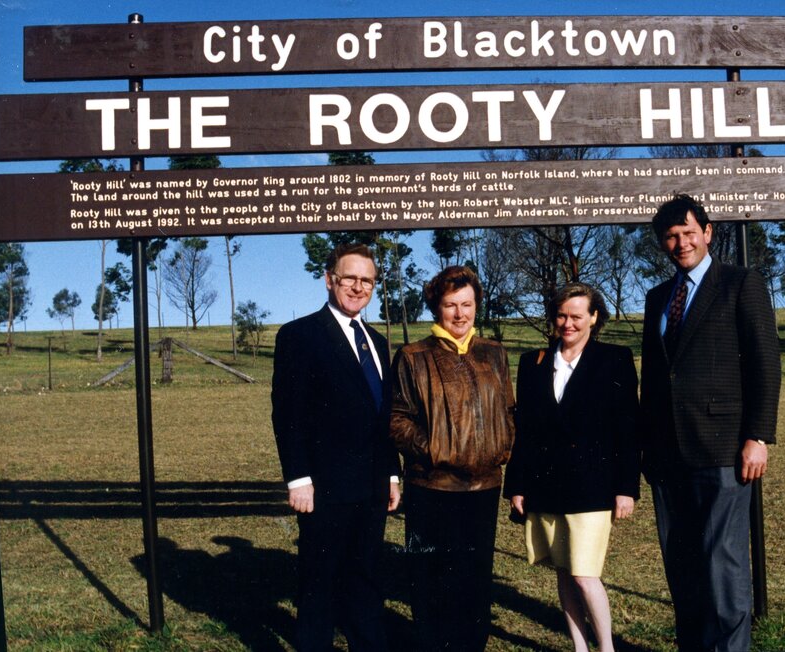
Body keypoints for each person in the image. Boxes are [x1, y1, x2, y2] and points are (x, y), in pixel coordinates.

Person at [640, 194, 781, 652]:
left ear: (708, 231)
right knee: (683, 571)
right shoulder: (658, 298)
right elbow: (658, 376)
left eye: (688, 233)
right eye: (671, 236)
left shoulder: (741, 283)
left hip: (723, 451)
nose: (681, 243)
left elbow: (765, 364)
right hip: (667, 456)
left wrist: (757, 436)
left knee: (723, 569)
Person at [271, 243, 401, 652]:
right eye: (350, 278)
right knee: (319, 585)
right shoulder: (300, 335)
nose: (358, 287)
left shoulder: (377, 341)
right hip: (323, 487)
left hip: (372, 484)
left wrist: (392, 473)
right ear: (330, 280)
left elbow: (384, 416)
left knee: (366, 579)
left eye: (367, 280)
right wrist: (297, 478)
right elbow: (287, 414)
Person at [504, 282, 640, 652]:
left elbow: (628, 429)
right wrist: (516, 486)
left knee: (584, 573)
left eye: (577, 316)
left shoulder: (615, 359)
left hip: (593, 487)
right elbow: (525, 431)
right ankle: (580, 647)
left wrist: (626, 488)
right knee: (563, 572)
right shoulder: (532, 362)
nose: (568, 323)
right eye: (562, 315)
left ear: (594, 317)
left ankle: (606, 646)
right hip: (545, 486)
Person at [390, 265, 515, 652]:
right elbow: (397, 419)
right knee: (431, 581)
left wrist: (501, 446)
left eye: (467, 304)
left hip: (484, 486)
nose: (460, 314)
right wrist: (436, 450)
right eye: (450, 305)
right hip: (432, 487)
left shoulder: (494, 353)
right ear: (436, 308)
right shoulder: (414, 356)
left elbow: (509, 411)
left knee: (475, 581)